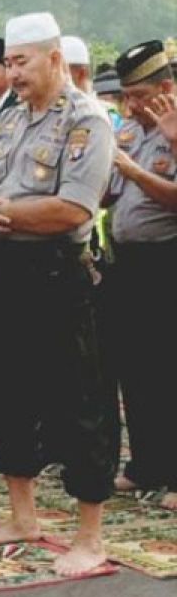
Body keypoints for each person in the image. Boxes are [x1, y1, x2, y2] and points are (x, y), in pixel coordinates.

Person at [0, 12, 117, 576]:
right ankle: (23, 515)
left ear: (55, 58)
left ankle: (89, 534)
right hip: (4, 272)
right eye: (8, 63)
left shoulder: (86, 120)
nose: (12, 73)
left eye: (21, 62)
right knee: (6, 394)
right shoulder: (8, 119)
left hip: (56, 275)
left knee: (78, 403)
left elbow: (72, 208)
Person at [105, 41, 177, 510]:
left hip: (167, 261)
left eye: (140, 95)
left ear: (166, 89)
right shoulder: (130, 131)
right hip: (128, 263)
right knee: (138, 367)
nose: (130, 106)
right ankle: (147, 462)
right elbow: (110, 193)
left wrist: (136, 167)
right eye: (127, 96)